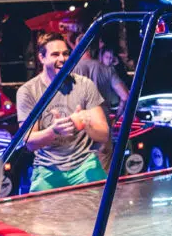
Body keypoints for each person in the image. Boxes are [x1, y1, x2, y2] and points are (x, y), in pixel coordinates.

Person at [16, 33, 109, 192]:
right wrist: (54, 131)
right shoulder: (28, 91)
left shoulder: (84, 85)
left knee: (107, 200)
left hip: (84, 164)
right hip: (47, 169)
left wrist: (87, 124)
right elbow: (29, 143)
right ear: (42, 58)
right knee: (36, 207)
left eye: (65, 53)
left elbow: (104, 135)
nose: (62, 59)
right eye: (55, 54)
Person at [73, 36, 130, 172]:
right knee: (104, 172)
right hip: (102, 125)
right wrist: (117, 115)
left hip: (78, 128)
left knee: (78, 173)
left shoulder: (70, 70)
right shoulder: (107, 70)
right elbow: (125, 96)